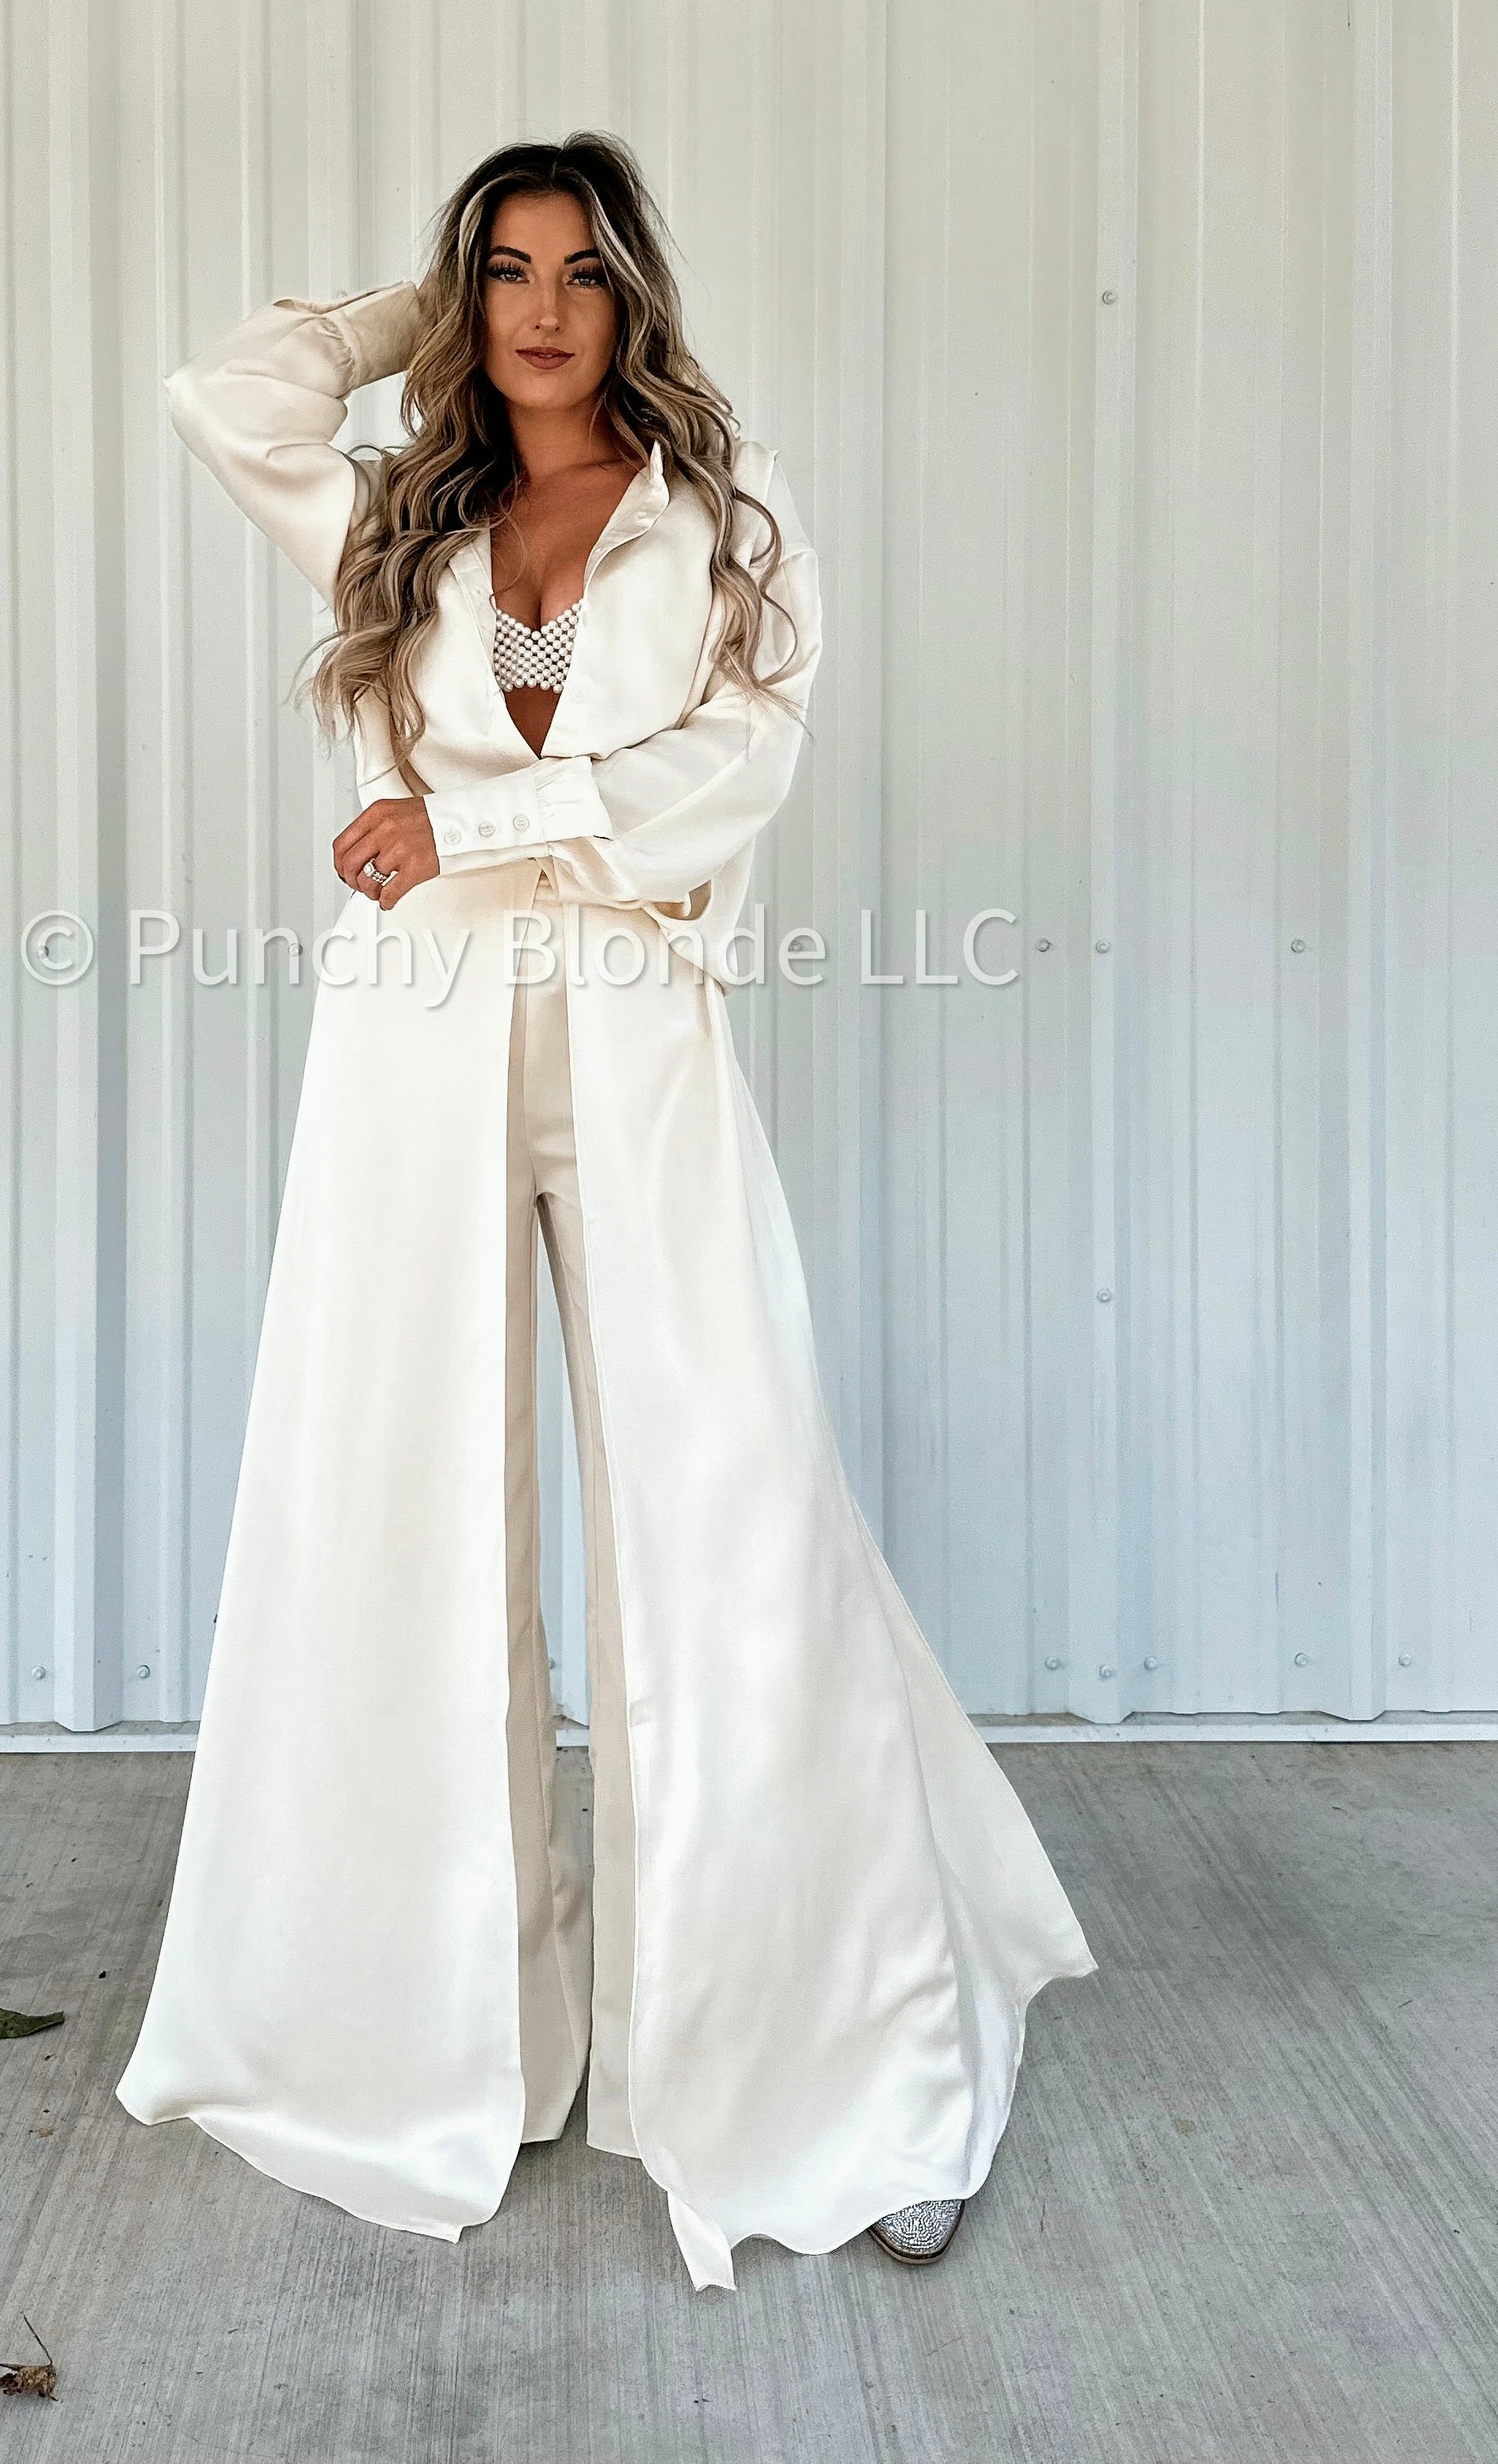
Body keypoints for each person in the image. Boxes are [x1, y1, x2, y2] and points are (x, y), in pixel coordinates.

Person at [114, 130, 1097, 2291]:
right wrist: (412, 308)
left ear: (634, 295)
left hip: (641, 1041)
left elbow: (734, 771)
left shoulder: (723, 521)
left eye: (577, 270)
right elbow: (223, 396)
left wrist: (482, 822)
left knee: (726, 1516)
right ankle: (438, 2029)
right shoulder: (396, 514)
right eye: (506, 271)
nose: (542, 308)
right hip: (414, 1049)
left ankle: (842, 2060)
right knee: (398, 1518)